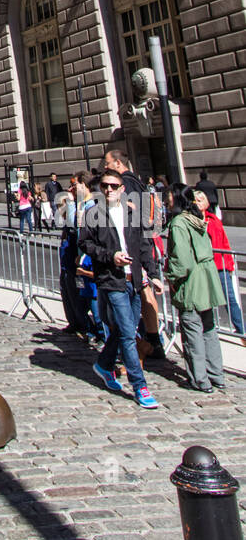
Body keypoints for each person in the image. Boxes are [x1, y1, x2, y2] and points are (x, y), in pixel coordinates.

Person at [79, 169, 164, 409]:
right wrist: (111, 256)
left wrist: (154, 275)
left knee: (121, 329)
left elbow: (144, 247)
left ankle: (104, 365)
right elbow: (85, 244)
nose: (109, 190)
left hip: (134, 280)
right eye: (105, 185)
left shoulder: (131, 213)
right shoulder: (92, 213)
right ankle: (140, 386)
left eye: (114, 186)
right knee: (128, 333)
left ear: (122, 188)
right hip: (111, 280)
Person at [104, 147, 164, 359]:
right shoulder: (139, 182)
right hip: (146, 241)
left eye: (108, 164)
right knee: (144, 293)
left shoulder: (126, 184)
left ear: (118, 164)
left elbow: (129, 218)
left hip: (136, 247)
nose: (105, 167)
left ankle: (148, 344)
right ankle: (153, 339)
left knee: (135, 299)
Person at [166, 184, 226, 392]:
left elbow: (181, 259)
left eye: (169, 197)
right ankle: (216, 374)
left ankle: (200, 378)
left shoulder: (179, 222)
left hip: (191, 281)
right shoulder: (197, 219)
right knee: (208, 328)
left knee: (192, 330)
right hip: (206, 278)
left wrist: (171, 277)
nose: (166, 201)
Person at [194, 190, 245, 339]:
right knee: (204, 300)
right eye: (196, 200)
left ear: (207, 203)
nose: (198, 203)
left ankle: (241, 330)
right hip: (202, 267)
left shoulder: (214, 220)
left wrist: (229, 263)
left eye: (201, 199)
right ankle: (206, 329)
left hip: (219, 265)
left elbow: (224, 242)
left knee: (230, 298)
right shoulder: (191, 221)